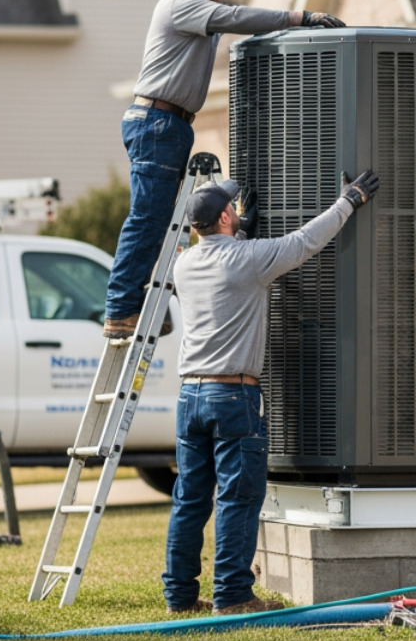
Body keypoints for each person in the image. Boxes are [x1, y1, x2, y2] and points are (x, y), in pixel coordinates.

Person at [163, 169, 381, 615]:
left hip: (190, 397)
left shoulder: (184, 263)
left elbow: (227, 257)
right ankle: (232, 596)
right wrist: (349, 201)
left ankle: (180, 597)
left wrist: (241, 229)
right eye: (231, 207)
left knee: (190, 500)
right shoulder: (247, 259)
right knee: (237, 498)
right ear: (226, 217)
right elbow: (304, 242)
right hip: (233, 397)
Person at [103, 0, 345, 339]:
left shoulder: (198, 6)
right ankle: (120, 309)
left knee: (161, 219)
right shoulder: (180, 4)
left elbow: (231, 14)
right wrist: (300, 18)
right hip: (157, 122)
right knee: (147, 217)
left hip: (169, 124)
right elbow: (234, 17)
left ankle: (138, 303)